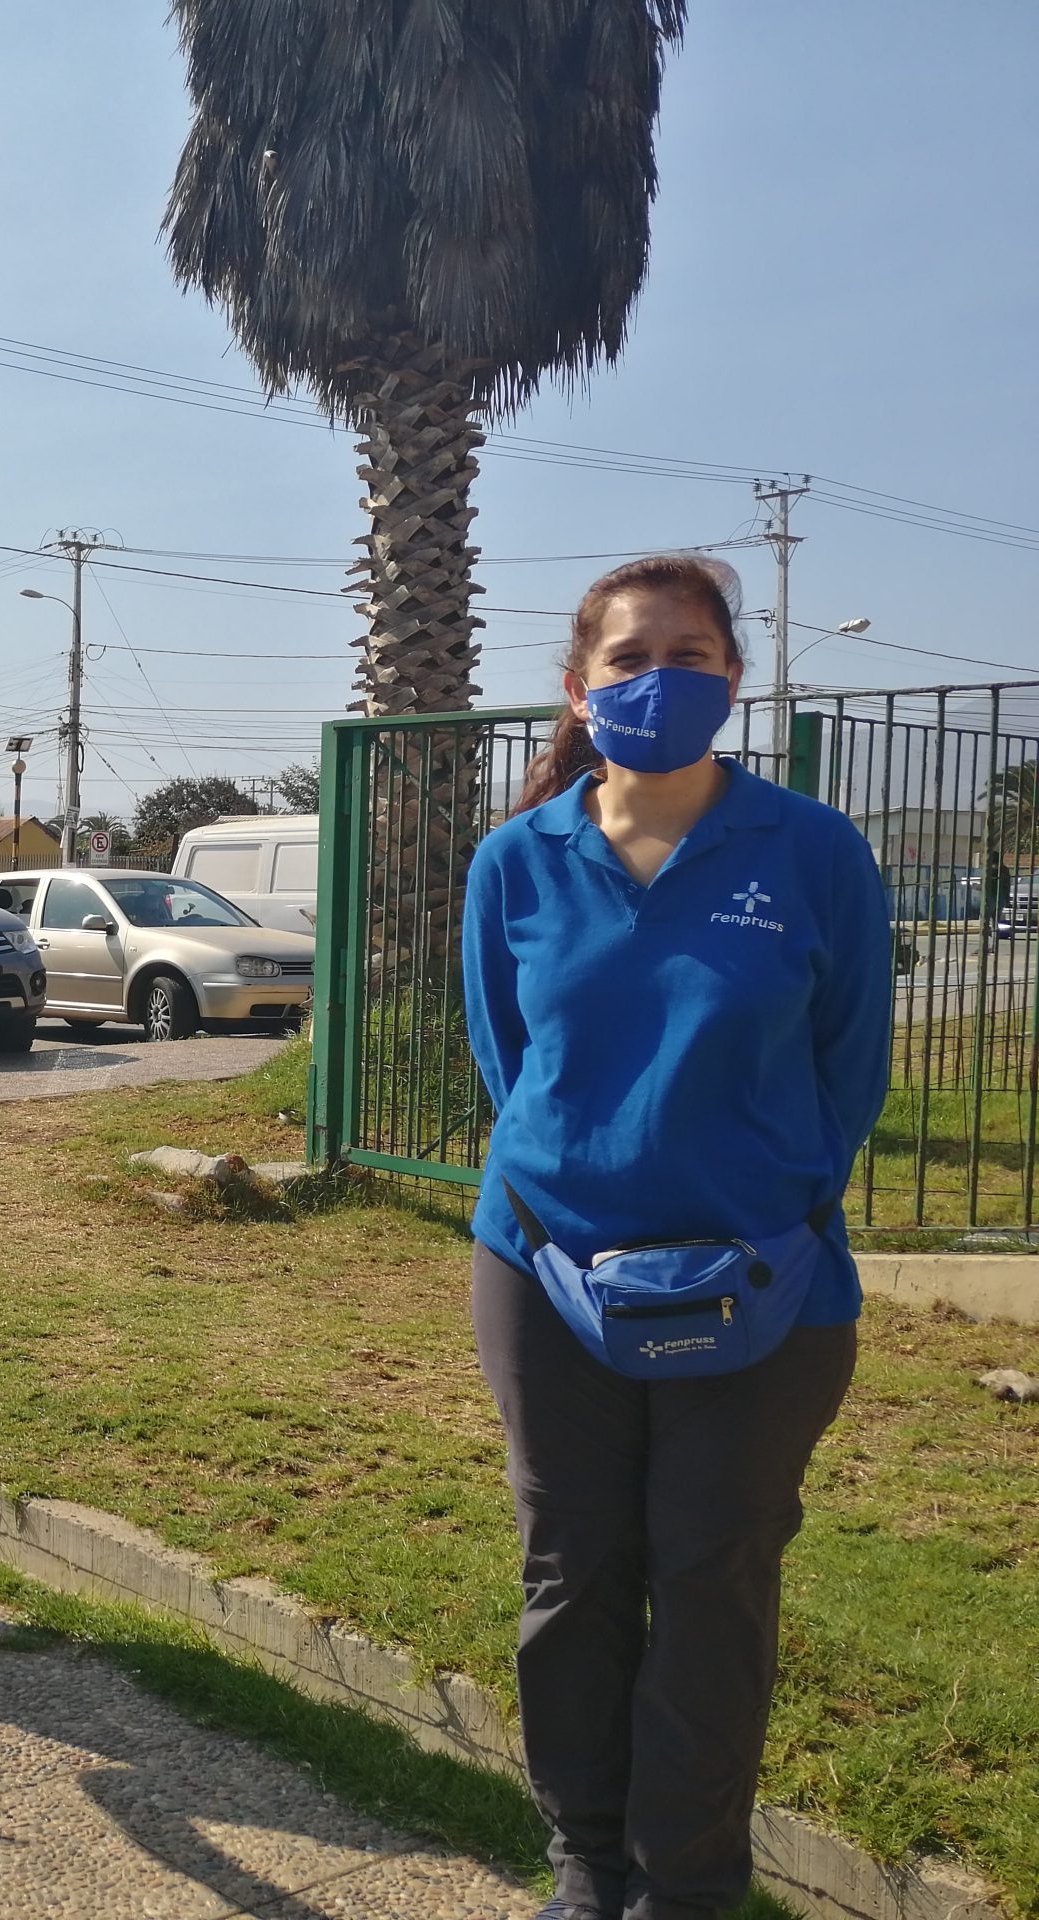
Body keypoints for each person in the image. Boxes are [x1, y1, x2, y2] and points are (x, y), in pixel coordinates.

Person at [462, 555, 892, 1920]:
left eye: (696, 655)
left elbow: (853, 1068)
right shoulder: (516, 862)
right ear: (581, 689)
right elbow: (508, 1057)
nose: (664, 679)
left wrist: (758, 1204)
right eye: (633, 656)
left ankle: (691, 1887)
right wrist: (583, 1189)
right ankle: (588, 1861)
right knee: (573, 1574)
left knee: (715, 1582)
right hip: (544, 1269)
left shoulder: (812, 853)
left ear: (734, 682)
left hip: (765, 1287)